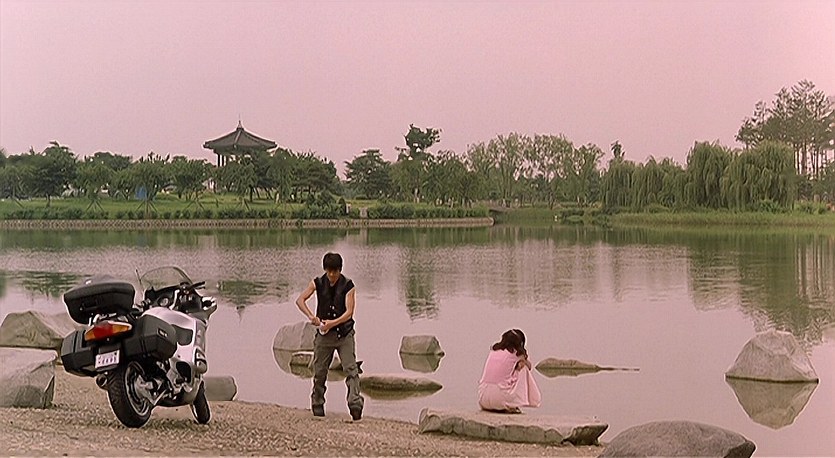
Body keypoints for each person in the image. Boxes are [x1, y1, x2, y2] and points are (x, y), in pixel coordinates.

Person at [295, 252, 364, 421]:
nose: (332, 275)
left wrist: (332, 323)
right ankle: (317, 403)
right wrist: (311, 316)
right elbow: (300, 300)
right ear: (325, 270)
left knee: (351, 369)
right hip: (324, 335)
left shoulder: (348, 285)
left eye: (335, 271)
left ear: (340, 270)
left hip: (344, 334)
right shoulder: (318, 283)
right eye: (329, 271)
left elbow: (349, 312)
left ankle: (355, 404)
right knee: (319, 371)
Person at [477, 329, 541, 413]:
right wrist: (522, 361)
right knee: (523, 369)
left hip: (483, 398)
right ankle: (514, 404)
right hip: (500, 400)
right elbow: (529, 366)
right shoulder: (516, 353)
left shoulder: (494, 350)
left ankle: (498, 404)